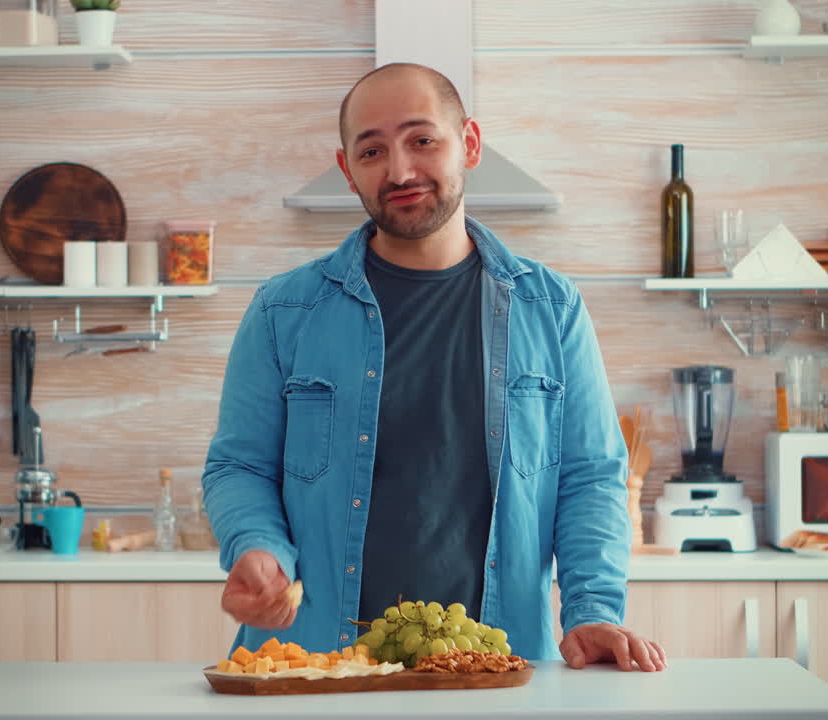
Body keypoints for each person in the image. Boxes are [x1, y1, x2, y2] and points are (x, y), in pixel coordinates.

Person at [201, 62, 666, 672]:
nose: (399, 171)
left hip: (494, 675)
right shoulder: (283, 310)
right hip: (311, 670)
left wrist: (593, 610)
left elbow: (590, 477)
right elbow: (239, 465)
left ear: (469, 144)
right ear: (348, 171)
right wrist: (256, 546)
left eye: (423, 140)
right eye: (371, 150)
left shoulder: (551, 308)